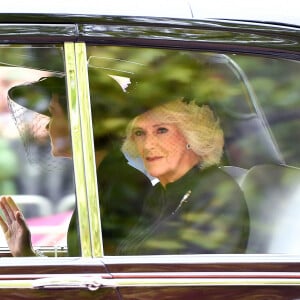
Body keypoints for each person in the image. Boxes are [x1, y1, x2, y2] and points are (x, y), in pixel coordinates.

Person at [117, 99, 249, 254]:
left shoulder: (216, 191)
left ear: (190, 137)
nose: (147, 145)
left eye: (161, 130)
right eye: (139, 133)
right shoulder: (159, 192)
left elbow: (197, 271)